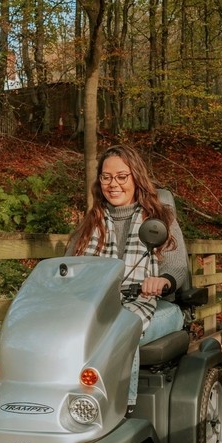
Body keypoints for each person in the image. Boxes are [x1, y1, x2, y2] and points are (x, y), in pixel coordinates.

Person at [66, 144, 189, 409]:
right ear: (99, 181)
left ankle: (121, 410)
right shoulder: (92, 222)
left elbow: (178, 266)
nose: (113, 184)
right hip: (99, 308)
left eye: (122, 176)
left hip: (155, 306)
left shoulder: (160, 218)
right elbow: (68, 267)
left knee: (122, 329)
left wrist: (163, 281)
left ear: (136, 178)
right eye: (106, 177)